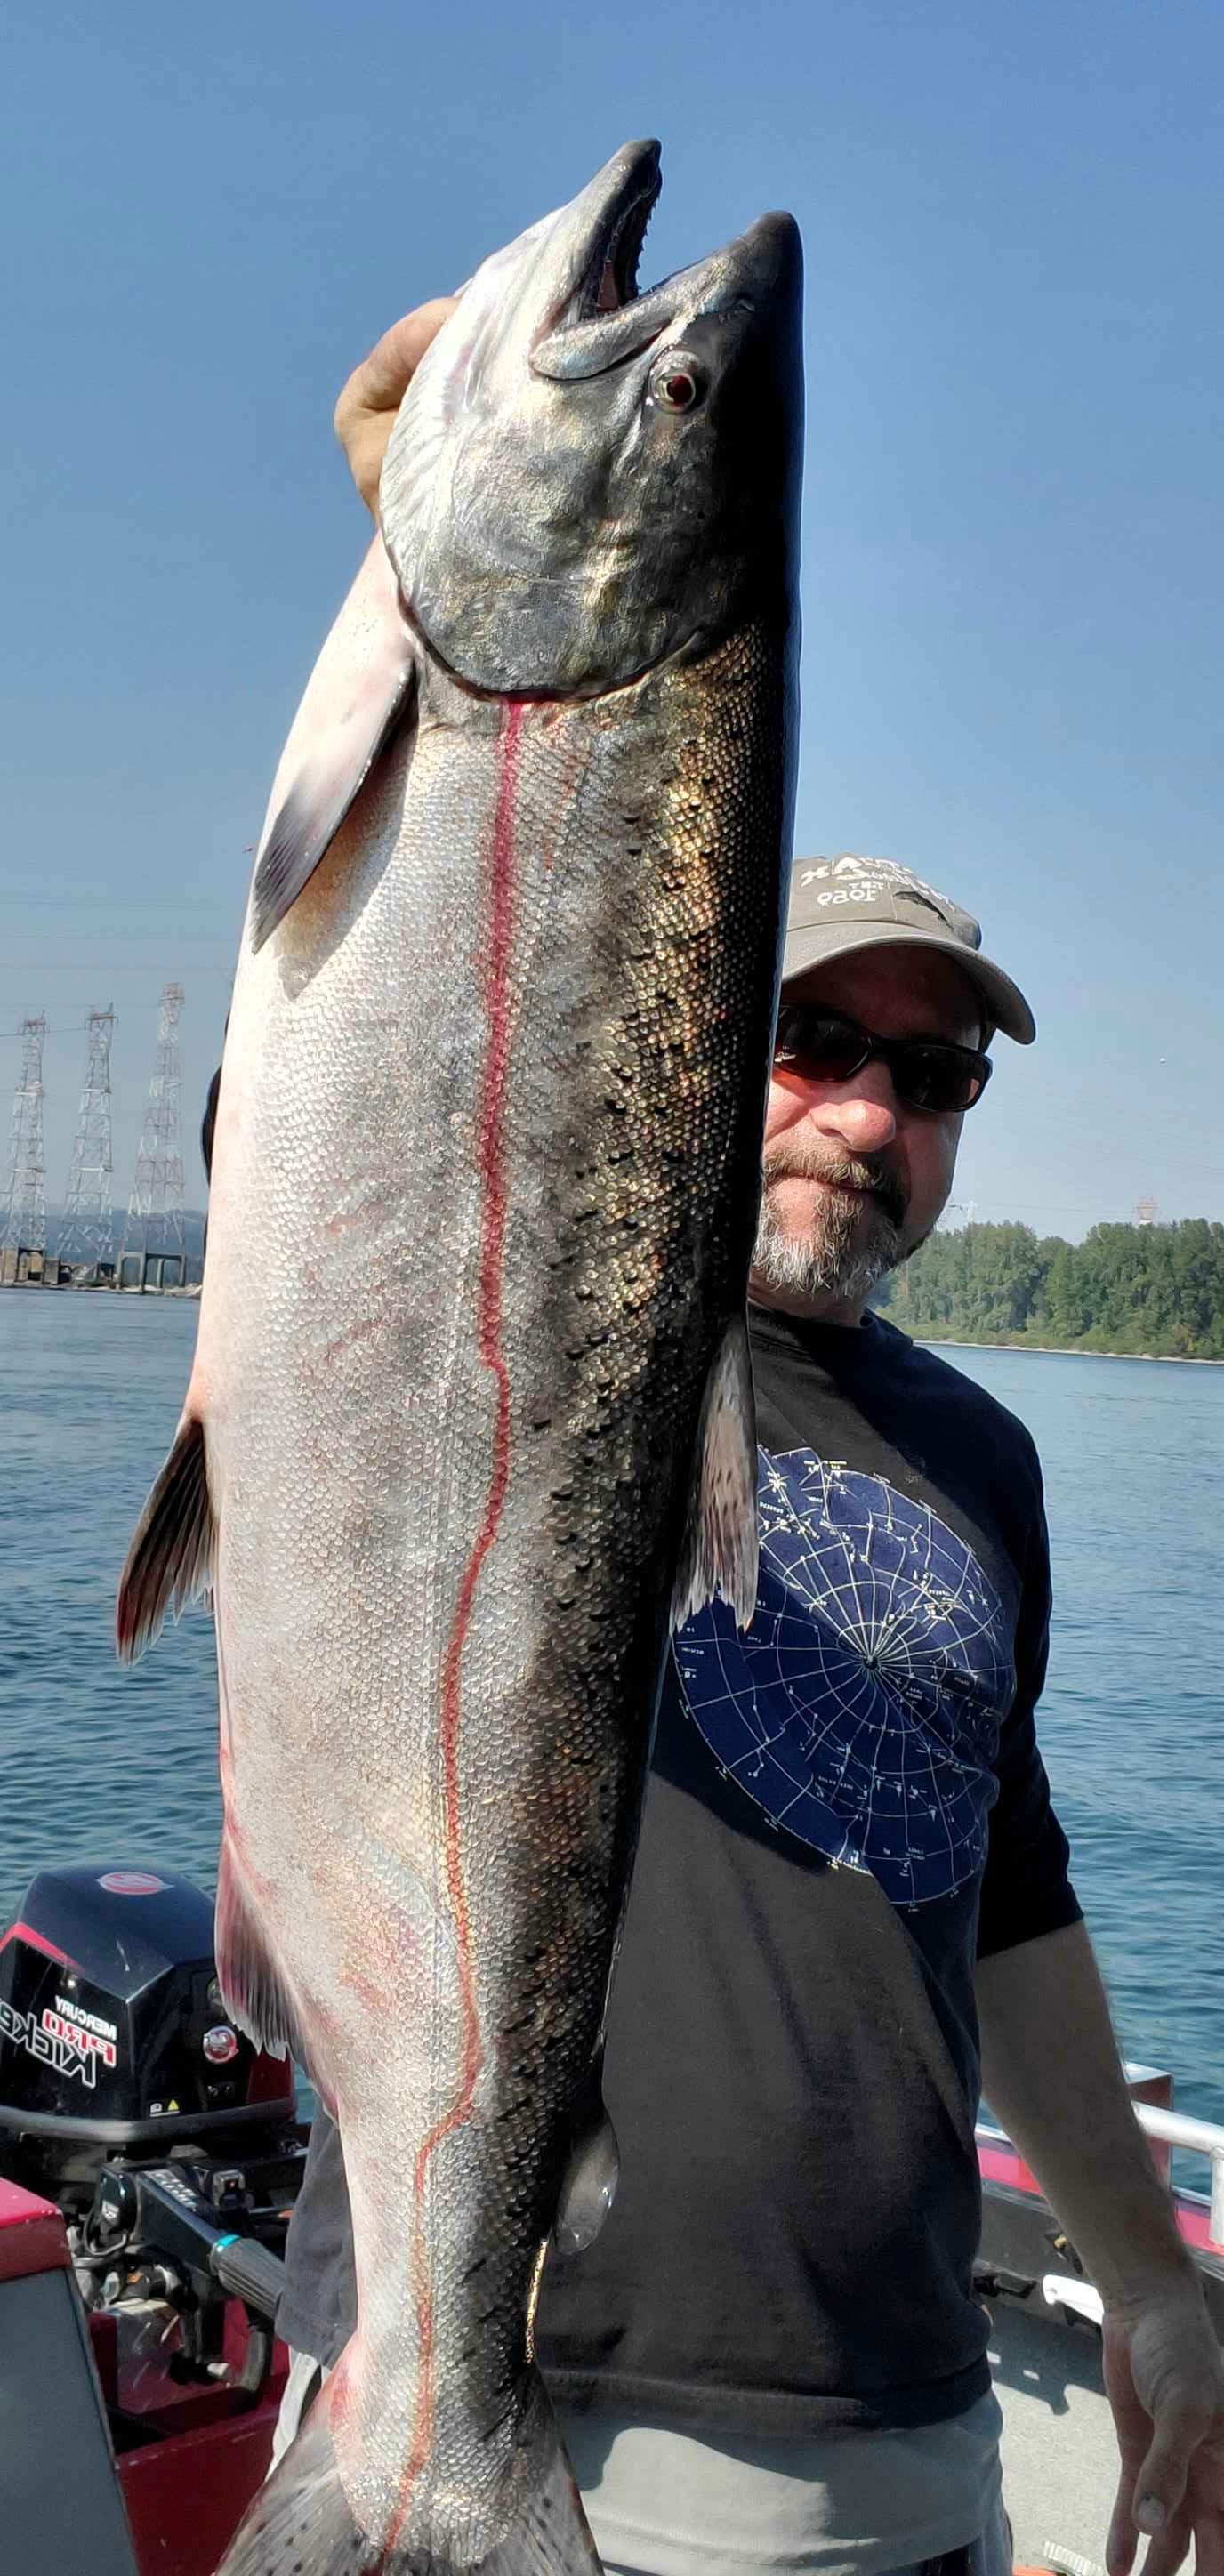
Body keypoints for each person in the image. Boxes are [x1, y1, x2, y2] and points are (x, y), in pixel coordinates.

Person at [233, 306, 1224, 2576]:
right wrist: (429, 541)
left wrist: (1152, 2286)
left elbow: (1018, 1891)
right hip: (522, 2390)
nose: (870, 1109)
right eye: (810, 1035)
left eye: (933, 1071)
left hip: (911, 2441)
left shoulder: (985, 1457)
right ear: (687, 1025)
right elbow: (393, 1061)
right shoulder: (498, 1307)